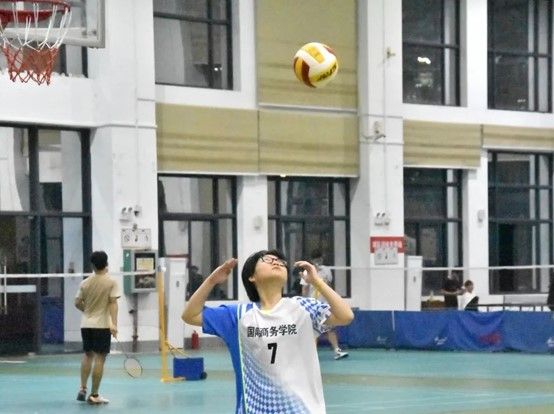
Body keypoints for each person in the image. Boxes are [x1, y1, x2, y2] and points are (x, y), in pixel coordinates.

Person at [182, 249, 354, 414]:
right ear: (252, 276)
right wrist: (211, 281)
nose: (276, 262)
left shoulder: (303, 307)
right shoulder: (237, 316)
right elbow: (190, 315)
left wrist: (317, 282)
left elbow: (345, 316)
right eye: (268, 260)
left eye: (280, 261)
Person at [74, 251, 120, 405]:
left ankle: (82, 388)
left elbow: (77, 302)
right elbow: (113, 303)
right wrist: (114, 324)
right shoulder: (111, 282)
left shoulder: (85, 283)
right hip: (101, 326)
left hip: (86, 324)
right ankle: (94, 395)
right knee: (100, 357)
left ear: (92, 265)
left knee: (88, 355)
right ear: (106, 263)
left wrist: (87, 311)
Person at [301, 249, 348, 360]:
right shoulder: (306, 272)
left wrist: (332, 301)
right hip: (312, 305)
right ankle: (313, 356)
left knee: (330, 328)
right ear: (312, 260)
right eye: (316, 260)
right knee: (314, 331)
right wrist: (304, 303)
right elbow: (304, 289)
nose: (318, 262)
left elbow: (330, 286)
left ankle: (337, 350)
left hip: (325, 304)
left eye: (320, 259)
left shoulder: (327, 270)